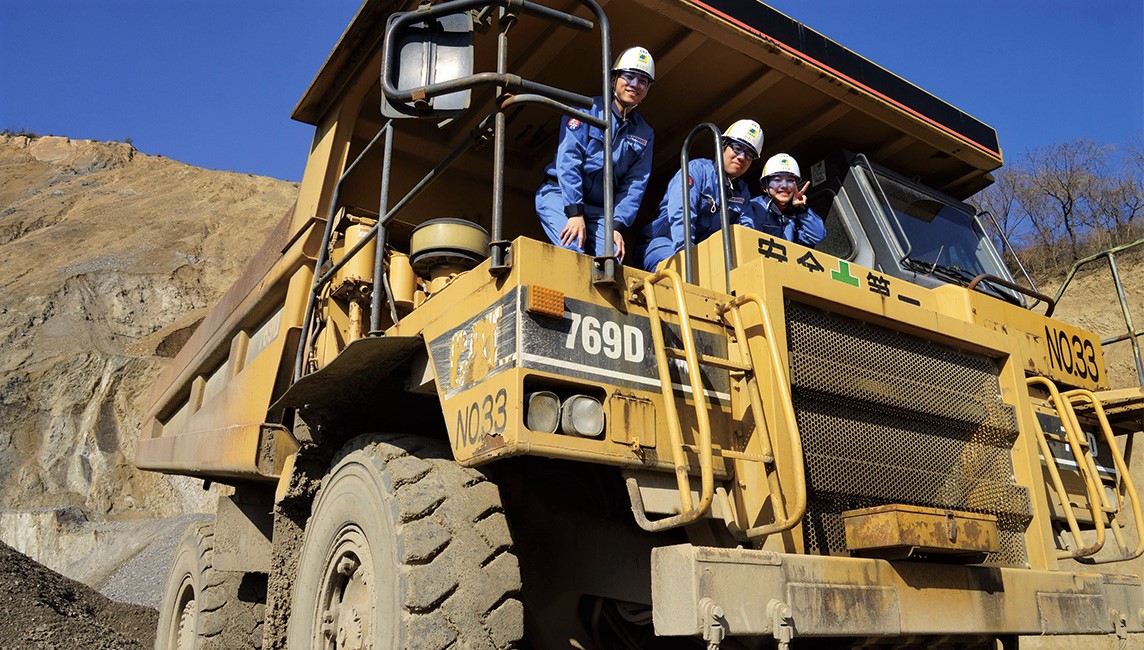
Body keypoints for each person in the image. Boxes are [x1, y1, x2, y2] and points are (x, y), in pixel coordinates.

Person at [535, 46, 655, 261]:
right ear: (613, 80)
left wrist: (617, 226)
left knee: (611, 260)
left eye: (643, 81)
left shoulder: (645, 133)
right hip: (560, 196)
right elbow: (568, 159)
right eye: (629, 76)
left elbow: (635, 184)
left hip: (601, 211)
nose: (635, 84)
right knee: (572, 249)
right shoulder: (585, 110)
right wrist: (574, 211)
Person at [640, 119, 764, 271]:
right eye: (737, 148)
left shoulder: (742, 192)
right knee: (681, 273)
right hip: (666, 243)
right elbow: (682, 212)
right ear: (722, 146)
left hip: (704, 258)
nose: (742, 157)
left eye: (749, 155)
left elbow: (746, 232)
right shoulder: (697, 170)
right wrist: (686, 252)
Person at [750, 153, 826, 247]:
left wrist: (801, 208)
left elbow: (817, 236)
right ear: (765, 187)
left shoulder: (794, 215)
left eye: (790, 181)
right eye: (777, 180)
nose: (784, 186)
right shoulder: (754, 208)